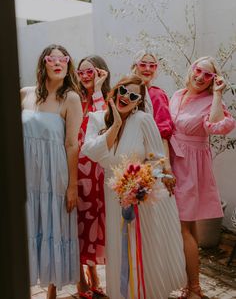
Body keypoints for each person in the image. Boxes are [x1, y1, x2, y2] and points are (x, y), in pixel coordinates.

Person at [82, 75, 187, 298]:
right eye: (122, 91)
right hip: (113, 195)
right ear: (116, 91)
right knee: (119, 245)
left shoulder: (143, 120)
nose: (125, 97)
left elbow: (156, 159)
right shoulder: (98, 118)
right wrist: (116, 125)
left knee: (142, 247)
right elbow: (91, 151)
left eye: (132, 95)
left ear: (139, 100)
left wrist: (144, 181)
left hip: (141, 195)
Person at [169, 56, 236, 299]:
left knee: (184, 228)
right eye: (198, 71)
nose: (200, 77)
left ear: (213, 80)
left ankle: (194, 288)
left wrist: (218, 94)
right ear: (191, 69)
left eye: (208, 75)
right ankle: (191, 286)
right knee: (187, 229)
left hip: (191, 167)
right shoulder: (177, 94)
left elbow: (218, 126)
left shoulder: (210, 100)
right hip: (171, 162)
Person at [21, 44, 83, 299]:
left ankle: (51, 293)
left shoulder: (71, 98)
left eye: (63, 59)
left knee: (52, 227)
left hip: (54, 175)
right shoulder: (25, 93)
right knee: (27, 225)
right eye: (51, 59)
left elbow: (72, 144)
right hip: (26, 175)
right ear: (43, 63)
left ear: (68, 64)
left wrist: (72, 186)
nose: (58, 63)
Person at [76, 55, 110, 298]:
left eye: (92, 72)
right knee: (80, 222)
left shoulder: (109, 98)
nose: (87, 76)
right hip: (76, 169)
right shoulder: (73, 99)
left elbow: (103, 126)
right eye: (82, 73)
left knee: (96, 223)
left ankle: (94, 273)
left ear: (102, 73)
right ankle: (82, 281)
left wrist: (98, 90)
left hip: (99, 170)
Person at [131, 50, 175, 195]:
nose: (147, 69)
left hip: (151, 159)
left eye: (152, 65)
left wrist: (166, 167)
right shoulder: (126, 92)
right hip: (129, 156)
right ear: (135, 66)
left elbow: (163, 134)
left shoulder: (157, 95)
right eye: (143, 64)